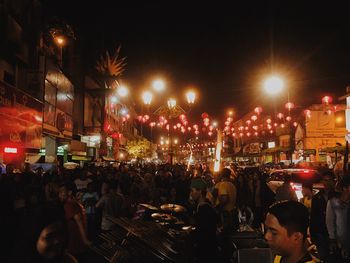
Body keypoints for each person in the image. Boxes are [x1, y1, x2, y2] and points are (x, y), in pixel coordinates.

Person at [13, 203, 78, 262]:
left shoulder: (68, 260)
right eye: (49, 236)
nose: (57, 241)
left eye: (60, 233)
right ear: (35, 239)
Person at [189, 177, 218, 262]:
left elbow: (204, 232)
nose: (191, 194)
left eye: (192, 191)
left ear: (200, 191)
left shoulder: (204, 209)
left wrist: (190, 233)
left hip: (207, 251)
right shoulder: (202, 206)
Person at [310, 172, 336, 262]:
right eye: (325, 180)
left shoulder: (338, 197)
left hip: (335, 233)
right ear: (322, 181)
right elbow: (313, 216)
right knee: (323, 257)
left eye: (329, 180)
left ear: (333, 181)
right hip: (320, 232)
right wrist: (313, 234)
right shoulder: (317, 197)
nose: (327, 182)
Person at [326, 176, 350, 262]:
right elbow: (330, 222)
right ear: (345, 188)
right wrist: (332, 239)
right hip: (339, 244)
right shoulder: (333, 203)